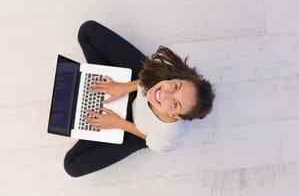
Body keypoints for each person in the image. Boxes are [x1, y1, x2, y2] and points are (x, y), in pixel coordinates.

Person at [64, 20, 215, 177]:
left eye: (175, 103)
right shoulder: (168, 74)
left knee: (72, 165)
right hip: (138, 83)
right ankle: (99, 89)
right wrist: (122, 87)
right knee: (87, 31)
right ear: (178, 78)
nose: (165, 93)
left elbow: (147, 138)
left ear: (175, 116)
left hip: (136, 130)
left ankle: (98, 100)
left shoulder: (167, 138)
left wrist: (116, 123)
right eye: (176, 87)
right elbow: (147, 80)